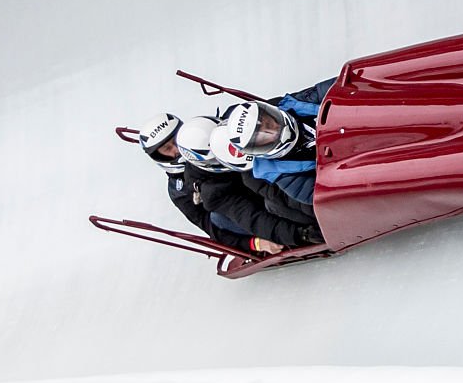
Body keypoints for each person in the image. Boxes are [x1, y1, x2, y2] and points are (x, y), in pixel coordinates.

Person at [136, 113, 284, 255]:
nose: (177, 150)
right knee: (216, 217)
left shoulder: (209, 138)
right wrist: (254, 243)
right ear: (160, 156)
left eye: (175, 141)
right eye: (168, 149)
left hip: (269, 190)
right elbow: (213, 228)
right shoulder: (178, 190)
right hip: (248, 214)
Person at [174, 116, 324, 248]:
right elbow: (252, 218)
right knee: (271, 203)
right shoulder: (213, 192)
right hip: (277, 206)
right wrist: (300, 234)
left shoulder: (239, 120)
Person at [226, 77, 336, 205]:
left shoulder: (295, 104)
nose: (273, 130)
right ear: (258, 149)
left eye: (268, 122)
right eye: (263, 136)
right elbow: (325, 196)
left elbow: (335, 87)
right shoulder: (286, 176)